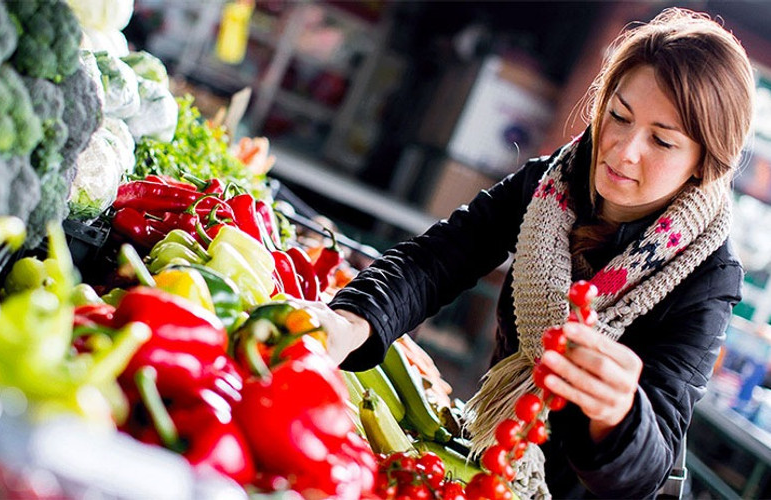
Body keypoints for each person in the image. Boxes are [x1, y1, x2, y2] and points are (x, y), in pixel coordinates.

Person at [301, 7, 755, 499]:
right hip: (490, 463)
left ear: (703, 164)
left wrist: (619, 414)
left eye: (662, 141)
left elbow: (651, 466)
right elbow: (434, 262)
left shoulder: (708, 276)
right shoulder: (549, 186)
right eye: (618, 116)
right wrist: (351, 321)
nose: (624, 150)